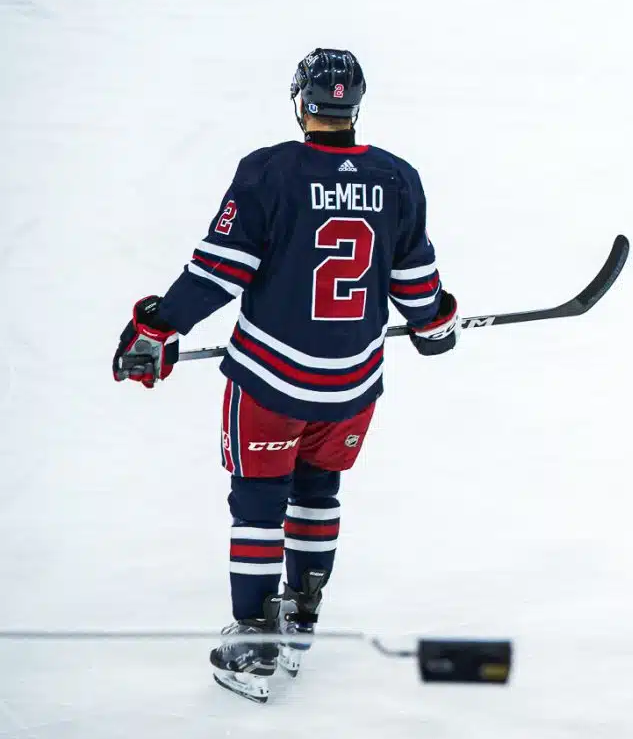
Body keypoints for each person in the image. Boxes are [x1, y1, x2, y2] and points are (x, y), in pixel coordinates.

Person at [111, 48, 459, 702]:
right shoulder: (397, 178)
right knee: (317, 492)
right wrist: (435, 324)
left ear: (301, 102)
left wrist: (156, 328)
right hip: (352, 386)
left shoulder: (269, 171)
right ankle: (299, 622)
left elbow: (219, 272)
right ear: (356, 104)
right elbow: (415, 280)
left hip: (271, 380)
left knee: (258, 502)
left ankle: (254, 643)